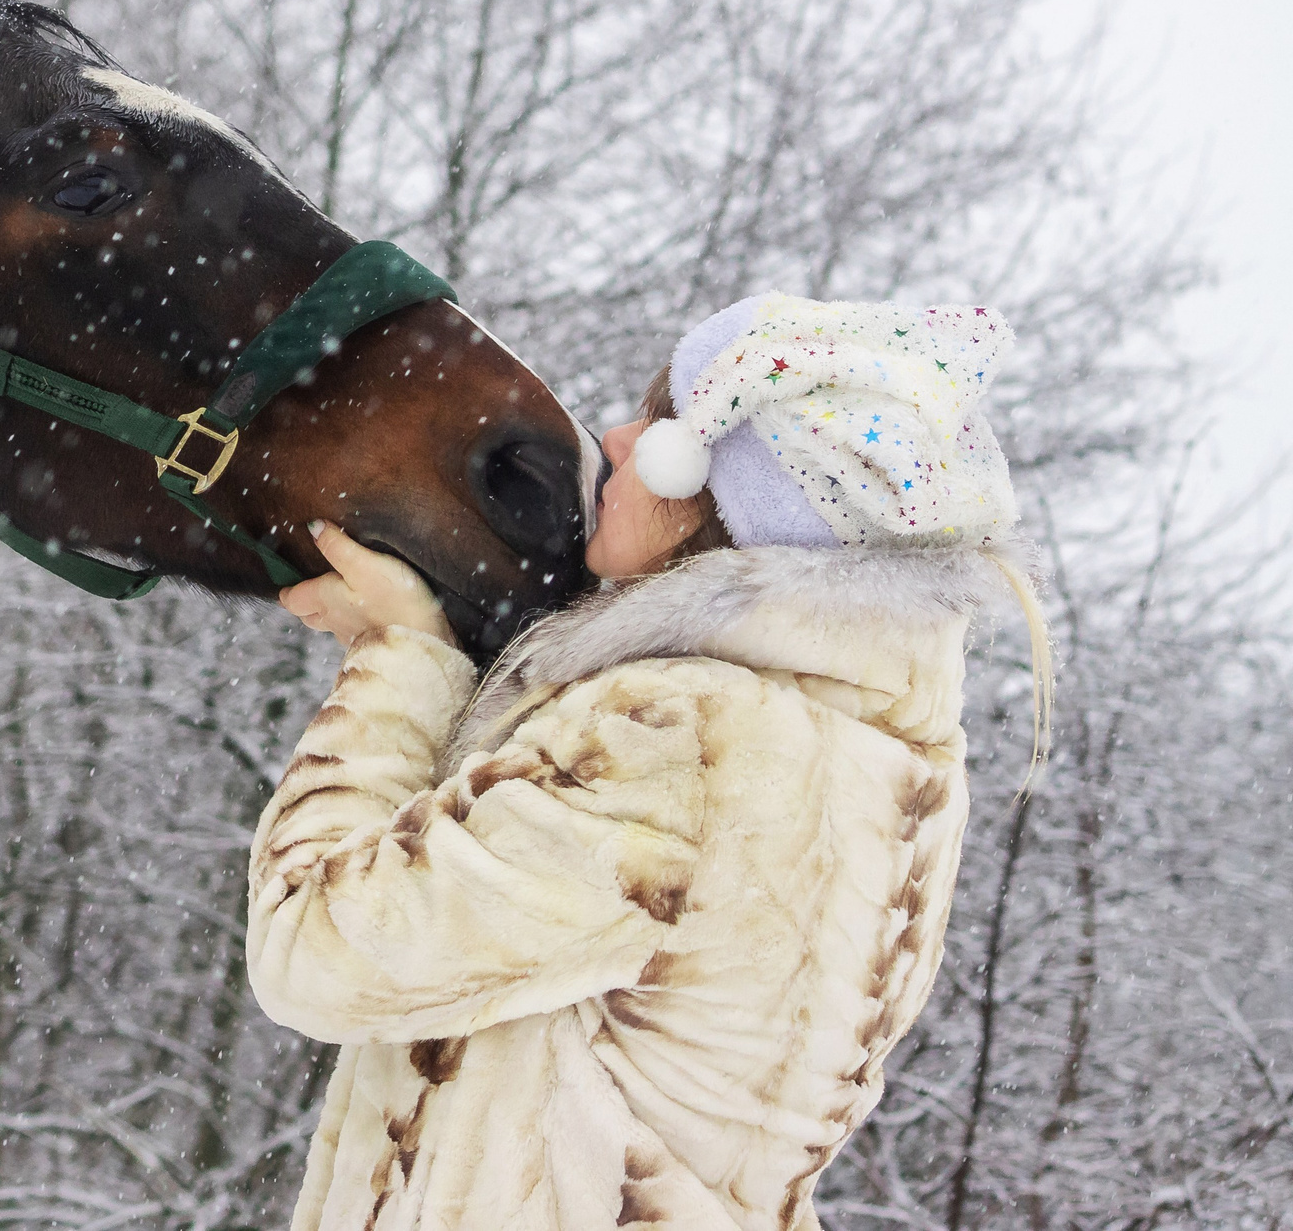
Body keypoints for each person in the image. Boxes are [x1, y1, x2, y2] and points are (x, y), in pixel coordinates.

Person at [250, 295, 1050, 1231]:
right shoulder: (894, 766)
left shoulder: (680, 739)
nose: (619, 439)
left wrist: (398, 657)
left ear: (725, 499)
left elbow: (317, 946)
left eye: (665, 424)